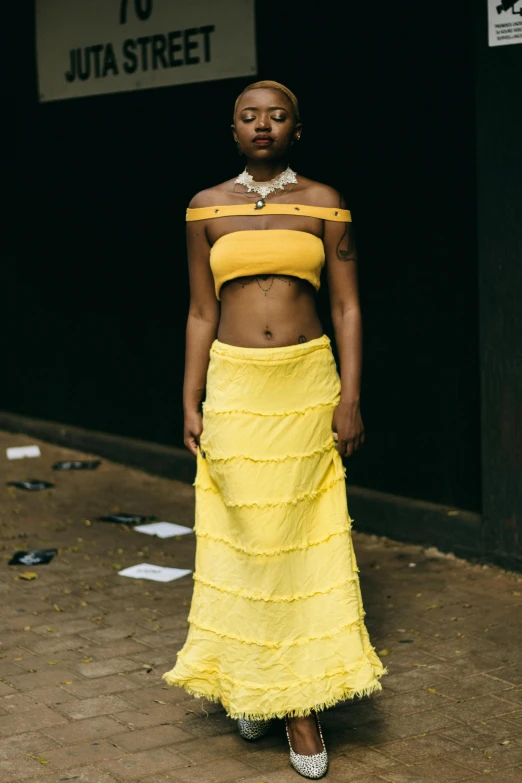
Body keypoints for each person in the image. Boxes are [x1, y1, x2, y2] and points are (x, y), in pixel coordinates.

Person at [163, 80, 386, 780]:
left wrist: (351, 395)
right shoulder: (205, 207)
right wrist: (190, 394)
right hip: (234, 384)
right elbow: (202, 310)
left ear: (297, 127)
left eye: (277, 114)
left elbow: (347, 307)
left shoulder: (324, 201)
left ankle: (301, 707)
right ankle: (252, 681)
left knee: (298, 541)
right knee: (244, 537)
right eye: (249, 115)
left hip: (304, 385)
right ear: (232, 130)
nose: (264, 124)